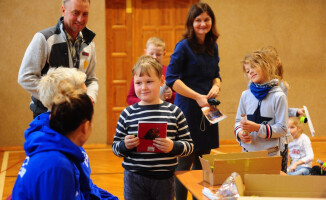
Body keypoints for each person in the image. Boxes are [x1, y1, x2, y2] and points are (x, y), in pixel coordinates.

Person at [12, 67, 118, 200]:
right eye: (83, 94)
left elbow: (84, 187)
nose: (90, 100)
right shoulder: (56, 163)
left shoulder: (63, 135)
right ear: (65, 99)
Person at [112, 55, 194, 200]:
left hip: (165, 180)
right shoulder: (127, 113)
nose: (143, 87)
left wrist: (172, 146)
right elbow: (116, 148)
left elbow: (189, 146)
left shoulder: (175, 112)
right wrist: (124, 145)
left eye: (149, 82)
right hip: (134, 178)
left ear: (162, 81)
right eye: (138, 83)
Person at [165, 3, 221, 199]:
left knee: (203, 164)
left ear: (211, 21)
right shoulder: (183, 47)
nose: (202, 23)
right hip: (188, 109)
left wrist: (216, 86)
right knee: (184, 163)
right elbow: (171, 80)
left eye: (206, 19)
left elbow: (216, 75)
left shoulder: (213, 46)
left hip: (207, 111)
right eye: (198, 20)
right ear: (191, 23)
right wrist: (197, 96)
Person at [18, 0, 98, 118]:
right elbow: (25, 77)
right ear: (63, 10)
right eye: (75, 13)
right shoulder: (44, 39)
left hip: (76, 115)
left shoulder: (89, 44)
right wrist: (58, 99)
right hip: (47, 115)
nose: (80, 19)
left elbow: (91, 79)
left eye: (85, 14)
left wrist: (90, 96)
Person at [234, 50, 288, 156]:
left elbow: (282, 129)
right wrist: (240, 133)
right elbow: (238, 121)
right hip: (247, 152)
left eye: (253, 67)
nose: (250, 72)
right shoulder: (245, 95)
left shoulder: (278, 96)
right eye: (247, 71)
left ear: (266, 65)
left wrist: (258, 128)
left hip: (270, 154)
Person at [261, 46, 305, 172]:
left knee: (280, 170)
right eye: (263, 64)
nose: (266, 67)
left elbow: (281, 110)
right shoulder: (255, 84)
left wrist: (295, 112)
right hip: (263, 133)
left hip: (279, 135)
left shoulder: (282, 85)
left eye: (269, 63)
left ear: (277, 62)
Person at [126, 37, 175, 105]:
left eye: (158, 54)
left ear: (164, 53)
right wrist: (146, 101)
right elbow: (130, 98)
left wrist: (171, 95)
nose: (154, 57)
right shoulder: (139, 72)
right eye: (151, 54)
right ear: (145, 52)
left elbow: (178, 95)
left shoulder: (169, 72)